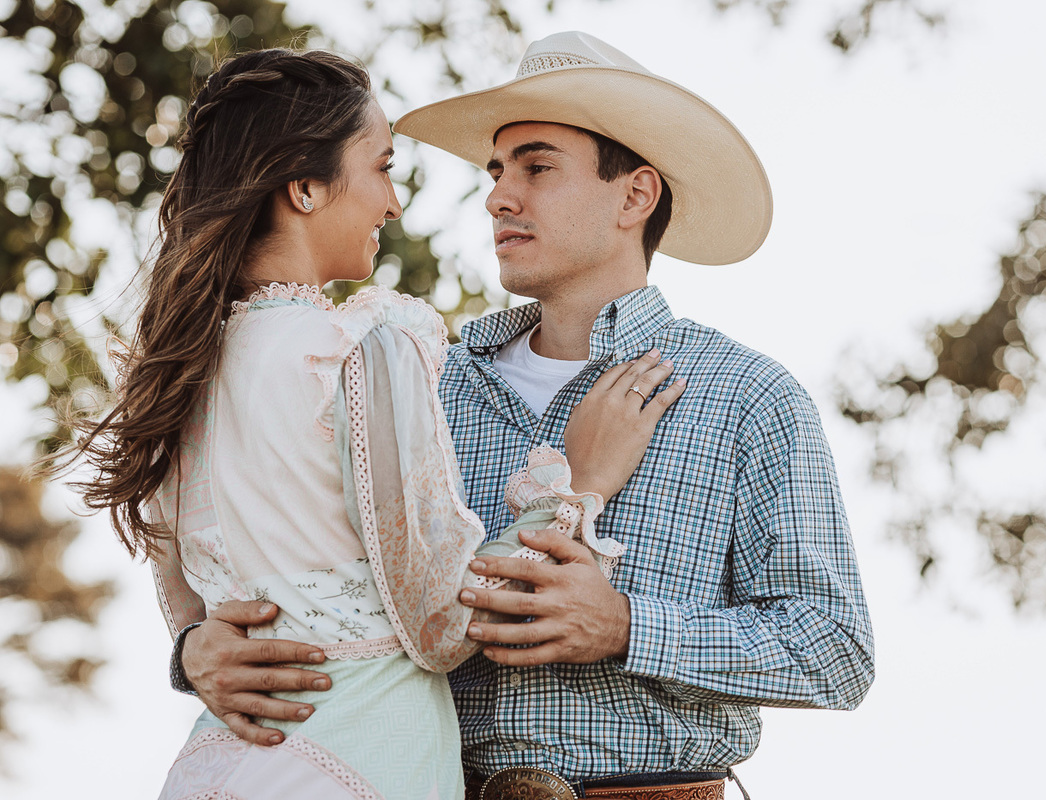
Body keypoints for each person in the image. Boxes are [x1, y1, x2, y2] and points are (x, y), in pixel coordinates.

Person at [177, 32, 875, 800]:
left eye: (538, 168)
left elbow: (836, 651)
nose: (500, 196)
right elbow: (290, 568)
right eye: (497, 171)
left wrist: (628, 628)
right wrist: (189, 652)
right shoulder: (415, 376)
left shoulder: (746, 397)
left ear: (634, 196)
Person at [65, 48, 682, 800]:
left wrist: (192, 651)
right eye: (383, 167)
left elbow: (197, 612)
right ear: (304, 187)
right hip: (358, 761)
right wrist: (576, 488)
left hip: (216, 768)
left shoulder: (175, 370)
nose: (394, 203)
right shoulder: (364, 347)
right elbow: (439, 627)